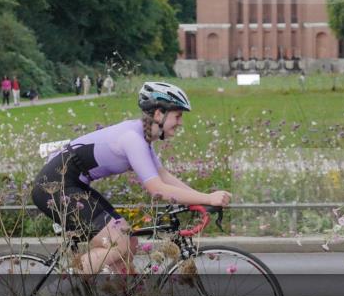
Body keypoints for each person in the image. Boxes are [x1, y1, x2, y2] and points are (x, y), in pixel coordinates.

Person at [31, 81, 231, 275]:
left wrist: (202, 197)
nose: (180, 122)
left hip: (73, 186)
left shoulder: (142, 138)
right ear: (159, 113)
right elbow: (158, 190)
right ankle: (64, 287)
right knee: (120, 244)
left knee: (129, 242)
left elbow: (163, 176)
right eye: (178, 116)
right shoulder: (132, 138)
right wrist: (207, 198)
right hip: (54, 188)